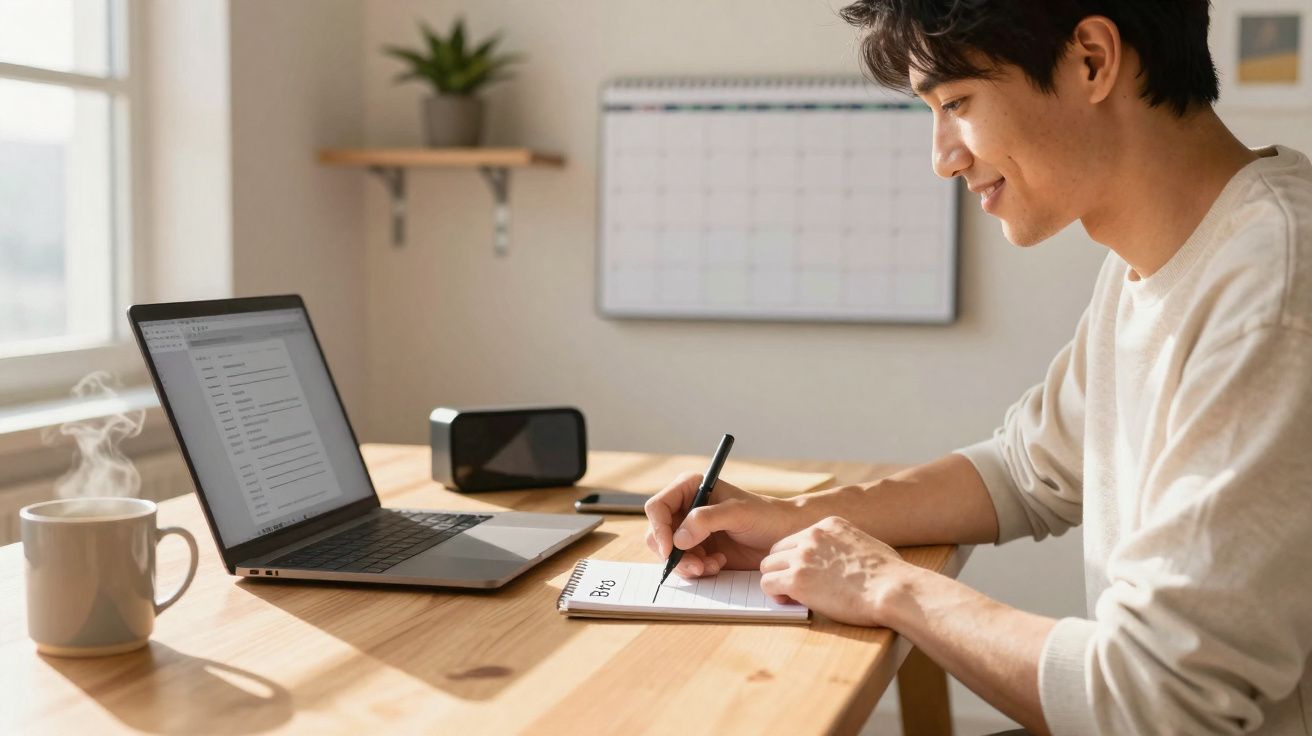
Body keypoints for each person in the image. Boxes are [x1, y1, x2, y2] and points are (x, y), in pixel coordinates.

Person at [643, 2, 1312, 734]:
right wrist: (791, 522)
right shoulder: (1156, 263)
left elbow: (1161, 700)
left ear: (1091, 59)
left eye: (956, 103)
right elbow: (1026, 471)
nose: (943, 157)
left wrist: (888, 587)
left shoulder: (1273, 294)